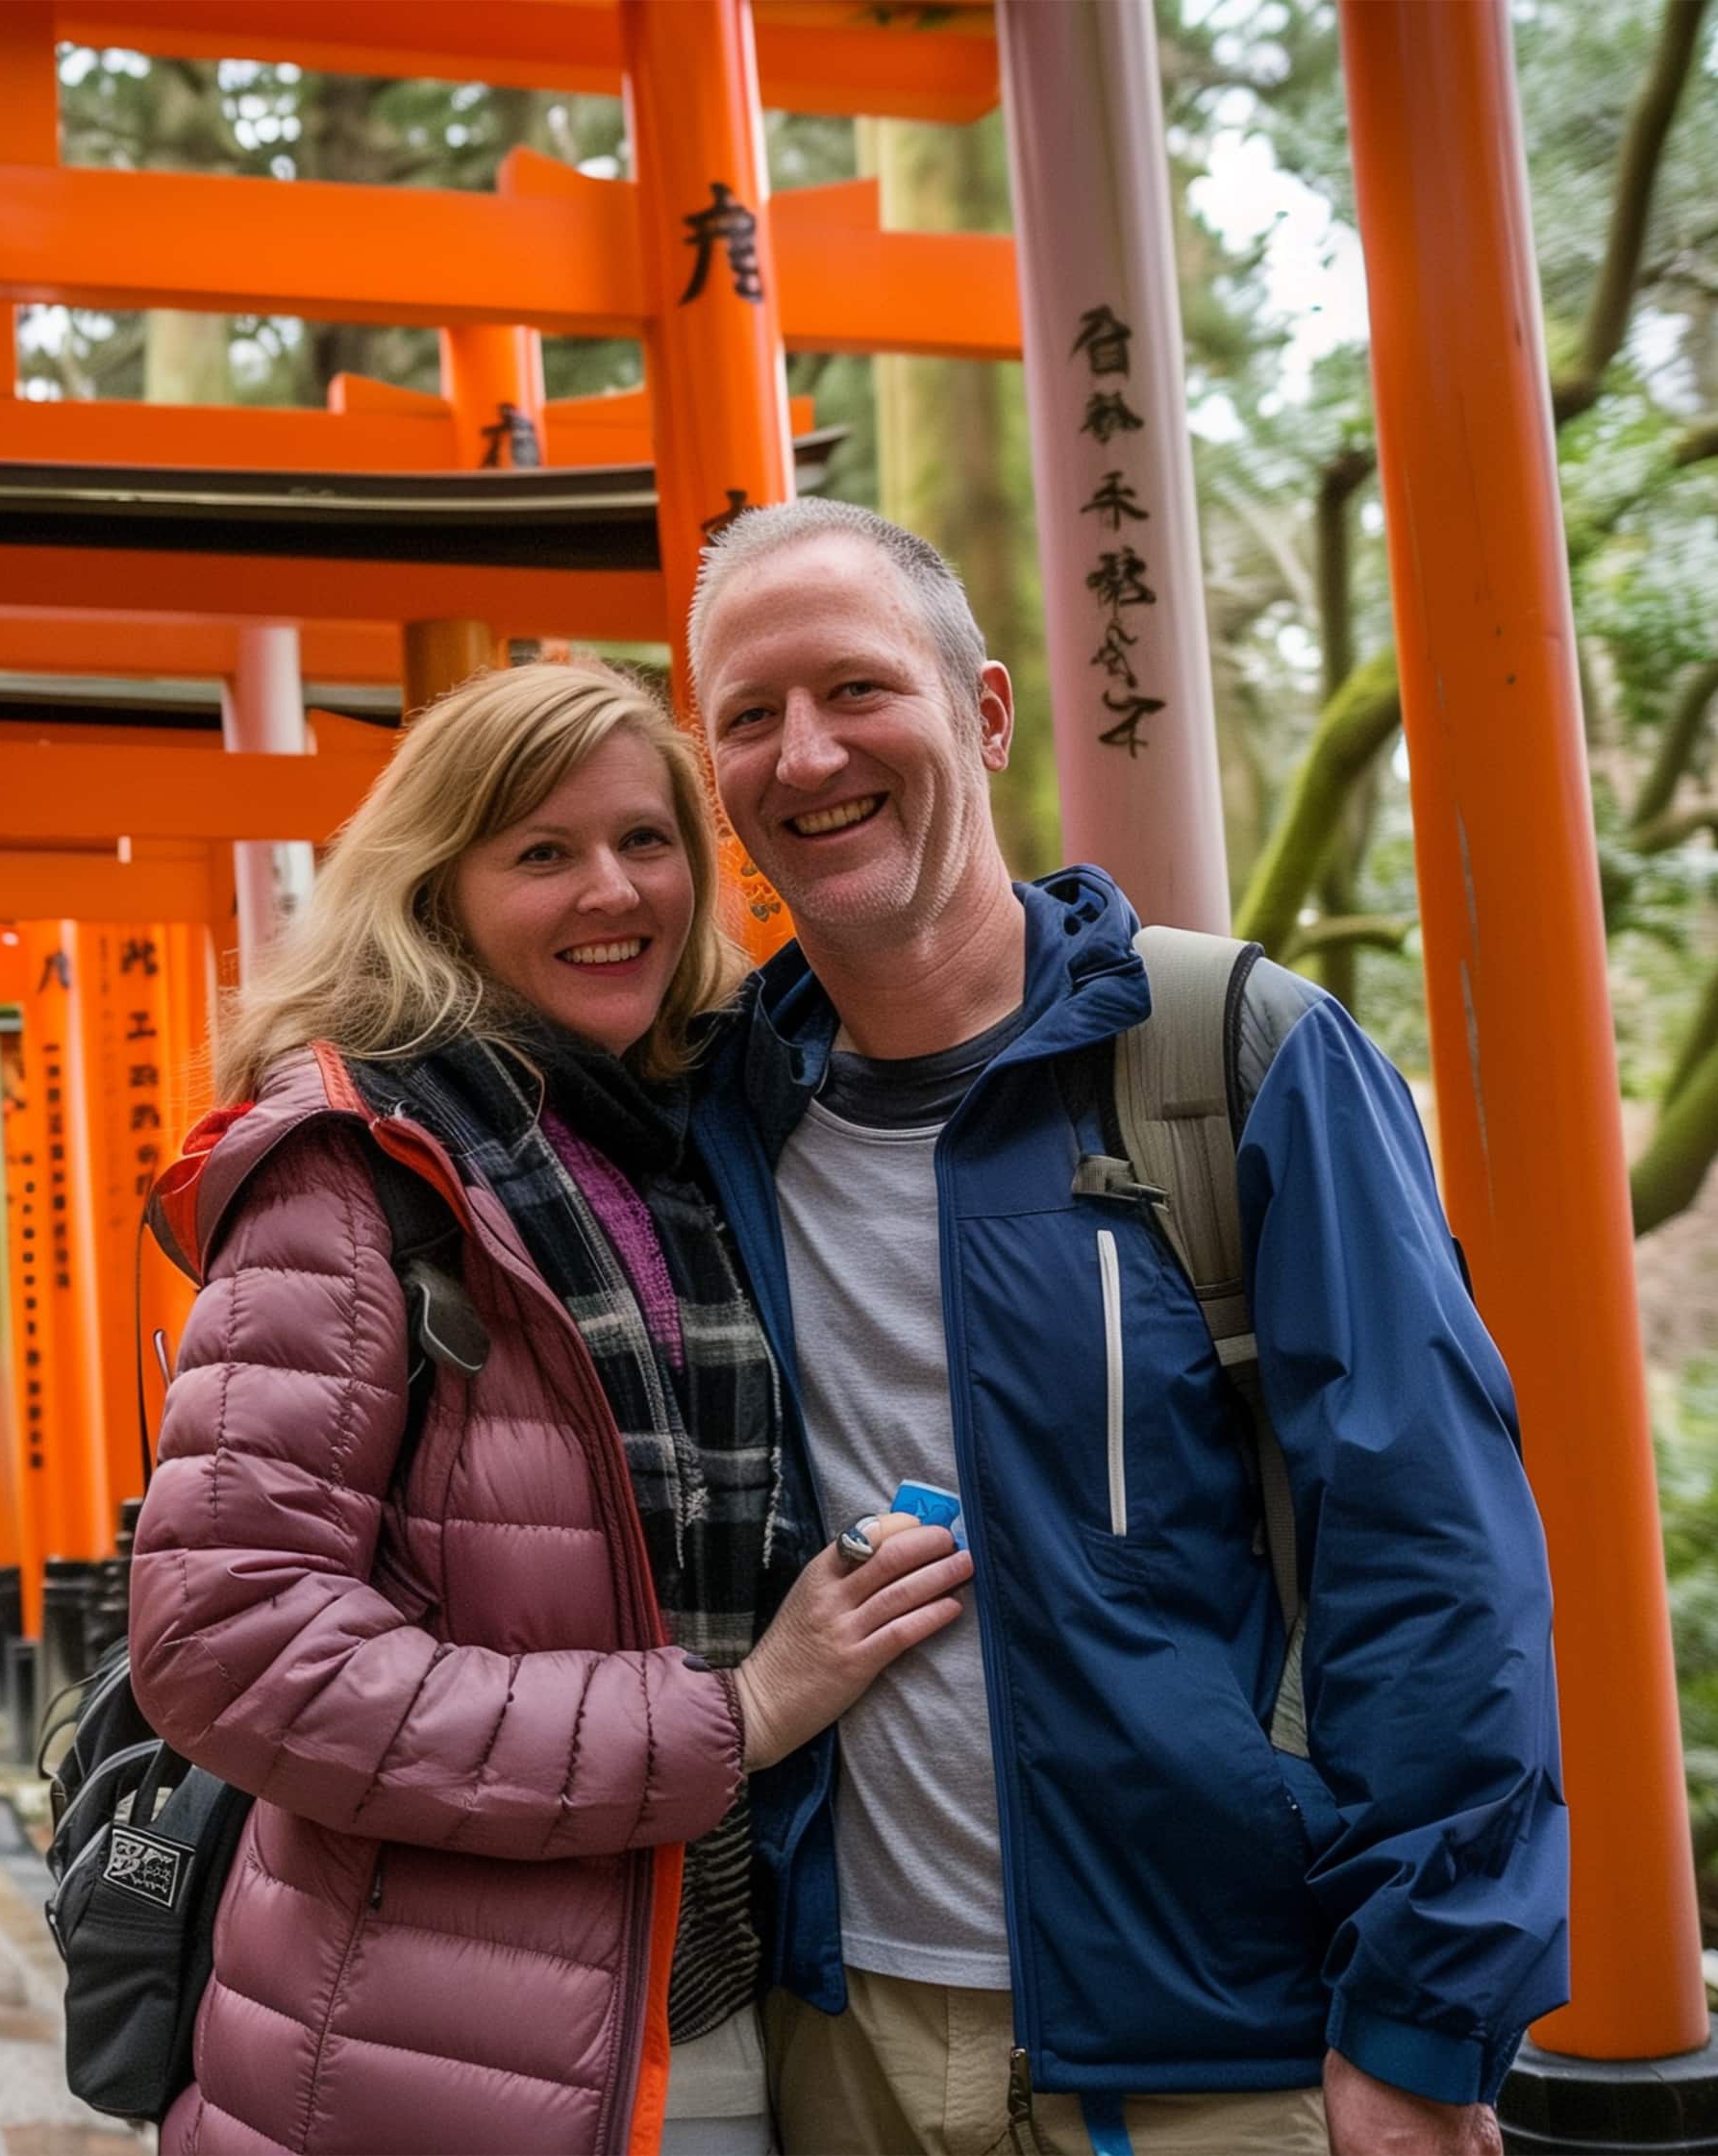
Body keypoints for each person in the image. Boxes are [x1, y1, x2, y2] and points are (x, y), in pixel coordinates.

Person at [681, 498, 1564, 2156]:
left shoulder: (1234, 1051)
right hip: (837, 2031)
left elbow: (1435, 1556)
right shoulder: (712, 1115)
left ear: (986, 711)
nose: (806, 756)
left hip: (1220, 2047)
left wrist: (1424, 2021)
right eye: (749, 716)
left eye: (857, 689)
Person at [128, 662, 977, 2156]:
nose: (615, 889)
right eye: (542, 851)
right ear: (437, 891)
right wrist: (735, 1711)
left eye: (648, 840)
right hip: (428, 2040)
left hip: (714, 1991)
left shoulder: (698, 1139)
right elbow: (224, 1637)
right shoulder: (362, 1169)